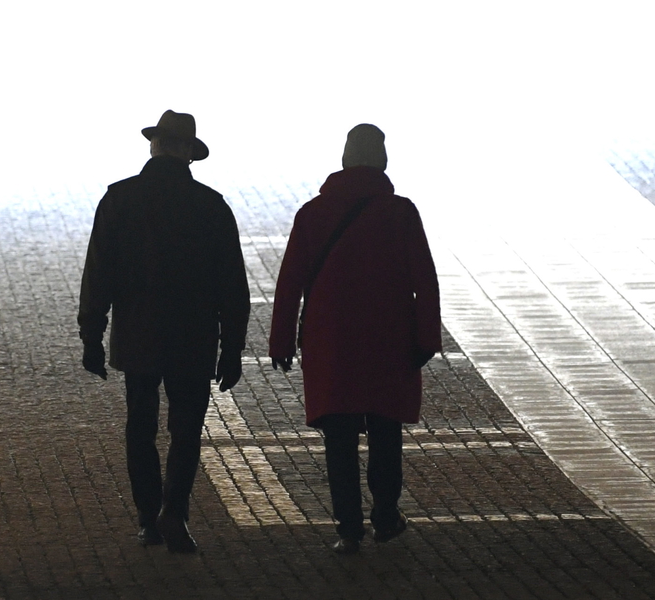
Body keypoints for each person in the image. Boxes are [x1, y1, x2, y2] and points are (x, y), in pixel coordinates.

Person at [78, 110, 251, 553]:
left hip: (138, 332)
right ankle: (174, 512)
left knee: (141, 426)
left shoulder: (120, 198)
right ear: (189, 153)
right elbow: (232, 285)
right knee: (186, 430)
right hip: (194, 337)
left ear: (154, 146)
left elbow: (98, 273)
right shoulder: (211, 206)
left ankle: (147, 517)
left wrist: (92, 334)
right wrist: (232, 349)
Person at [268, 124, 440, 555]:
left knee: (339, 437)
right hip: (389, 340)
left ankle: (348, 528)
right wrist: (427, 338)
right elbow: (425, 280)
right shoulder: (401, 213)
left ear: (344, 160)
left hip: (331, 343)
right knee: (385, 430)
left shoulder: (313, 213)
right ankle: (385, 515)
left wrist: (281, 342)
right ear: (382, 161)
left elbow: (289, 284)